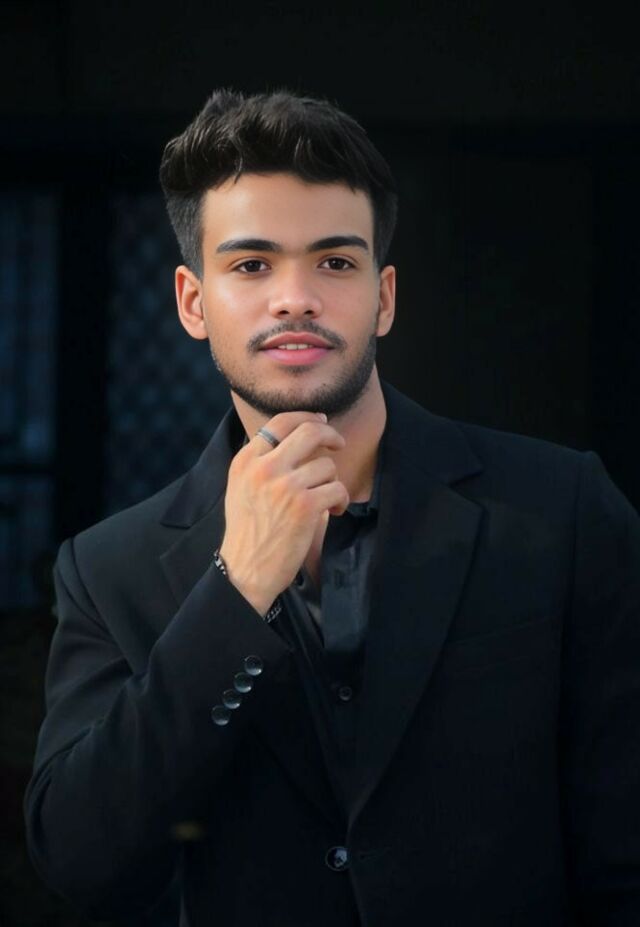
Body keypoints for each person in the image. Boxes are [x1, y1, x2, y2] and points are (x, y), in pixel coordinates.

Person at [24, 89, 640, 927]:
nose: (295, 298)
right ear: (193, 302)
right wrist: (236, 591)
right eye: (251, 265)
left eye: (335, 263)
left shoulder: (562, 511)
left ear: (384, 297)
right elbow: (81, 861)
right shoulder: (107, 569)